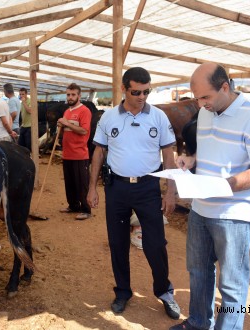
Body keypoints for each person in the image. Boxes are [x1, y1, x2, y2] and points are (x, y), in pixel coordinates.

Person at [171, 63, 250, 330]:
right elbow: (208, 154)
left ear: (225, 87)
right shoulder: (206, 112)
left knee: (231, 283)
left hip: (236, 214)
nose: (200, 103)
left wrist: (224, 185)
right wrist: (190, 161)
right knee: (198, 272)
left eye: (205, 97)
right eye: (197, 97)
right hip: (201, 209)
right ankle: (198, 322)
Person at [87, 67, 180, 320]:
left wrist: (170, 191)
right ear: (123, 89)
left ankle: (164, 292)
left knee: (156, 244)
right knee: (117, 243)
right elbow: (98, 153)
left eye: (146, 92)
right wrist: (92, 188)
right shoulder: (108, 118)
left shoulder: (158, 117)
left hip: (148, 188)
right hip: (116, 188)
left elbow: (169, 155)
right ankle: (122, 292)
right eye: (136, 92)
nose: (142, 97)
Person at [58, 83, 92, 221]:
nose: (70, 97)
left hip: (80, 154)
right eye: (68, 94)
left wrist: (66, 123)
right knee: (70, 182)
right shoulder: (67, 111)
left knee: (82, 183)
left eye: (73, 94)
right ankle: (73, 205)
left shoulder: (84, 111)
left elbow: (84, 130)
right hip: (67, 153)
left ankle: (86, 209)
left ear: (79, 95)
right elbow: (66, 130)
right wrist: (60, 125)